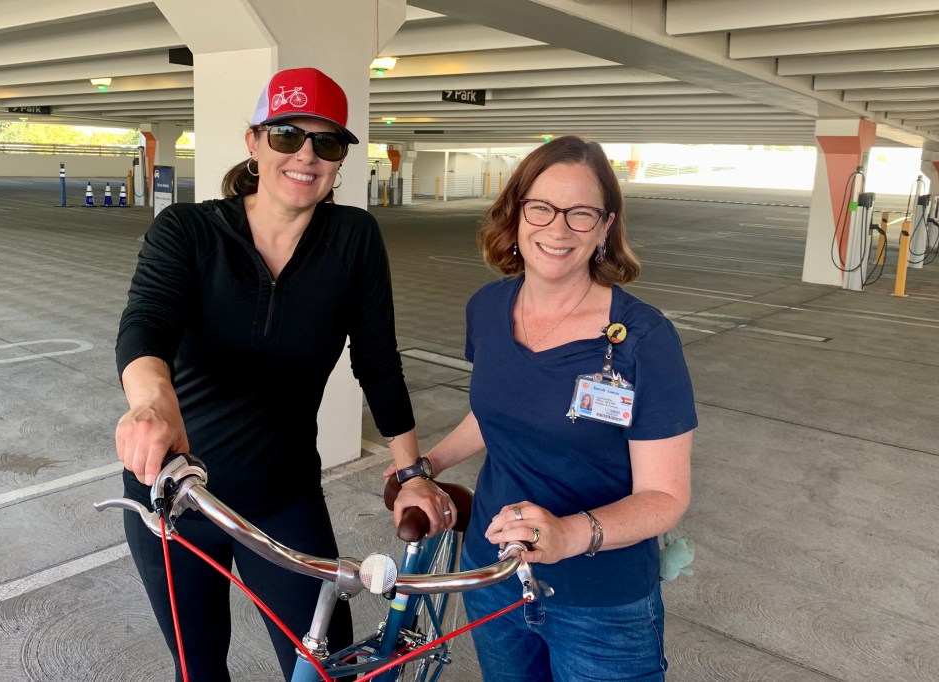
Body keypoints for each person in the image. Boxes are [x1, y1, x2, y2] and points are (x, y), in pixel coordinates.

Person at [114, 66, 455, 682]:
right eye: (287, 135)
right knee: (197, 667)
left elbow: (377, 360)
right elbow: (146, 325)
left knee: (328, 667)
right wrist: (150, 403)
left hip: (283, 496)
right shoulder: (189, 230)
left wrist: (411, 473)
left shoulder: (353, 238)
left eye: (326, 142)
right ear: (253, 142)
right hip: (176, 493)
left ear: (340, 159)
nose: (305, 155)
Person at [414, 136, 697, 681]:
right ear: (517, 212)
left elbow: (664, 497)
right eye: (541, 207)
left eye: (580, 213)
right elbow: (498, 412)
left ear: (606, 226)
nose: (558, 229)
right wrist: (427, 465)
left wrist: (568, 535)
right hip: (493, 575)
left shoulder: (644, 339)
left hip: (600, 603)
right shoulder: (487, 308)